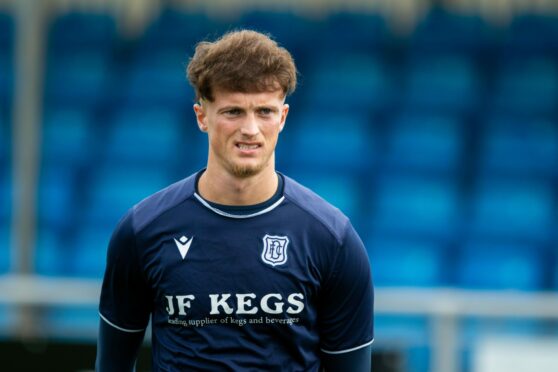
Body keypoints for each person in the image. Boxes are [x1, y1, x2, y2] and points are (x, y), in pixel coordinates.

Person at [96, 29, 374, 371]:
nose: (250, 129)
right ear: (202, 116)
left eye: (265, 112)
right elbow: (112, 364)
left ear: (283, 117)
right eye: (233, 112)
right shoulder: (142, 230)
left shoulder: (333, 240)